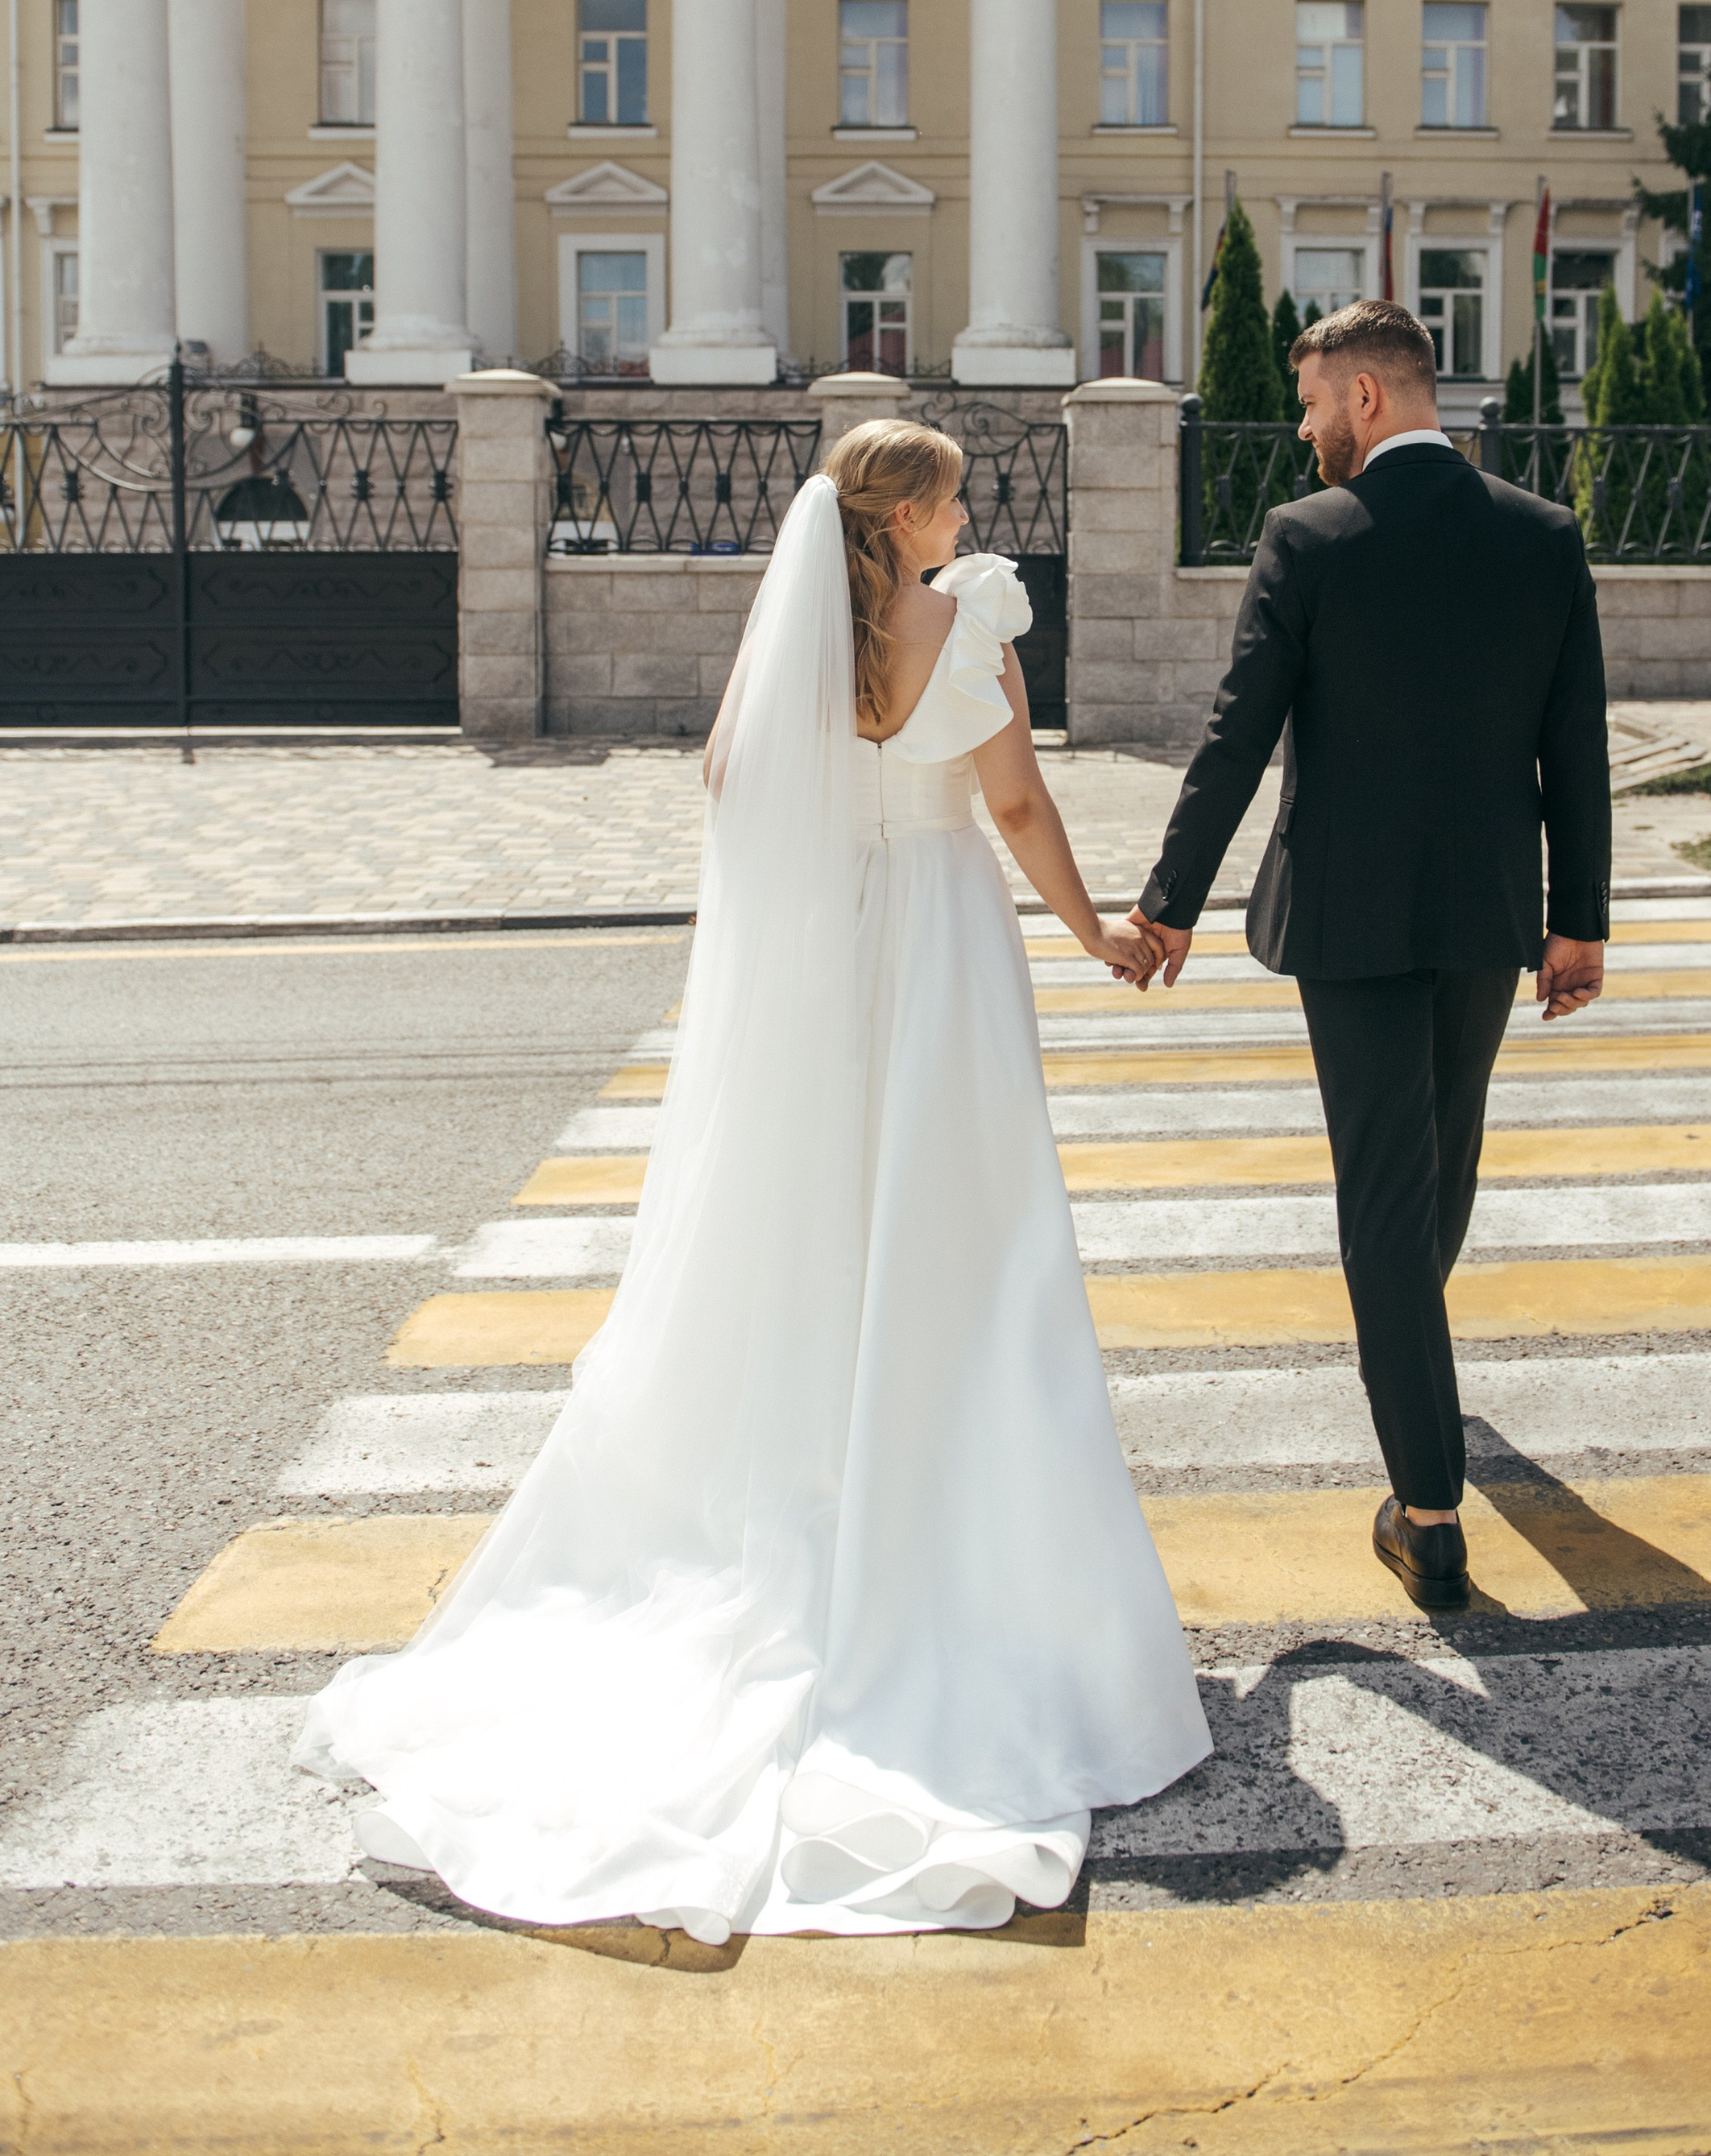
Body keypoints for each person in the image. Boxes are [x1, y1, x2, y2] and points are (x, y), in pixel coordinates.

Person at [297, 423, 1208, 1937]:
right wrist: (1093, 929)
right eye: (957, 486)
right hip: (943, 943)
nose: (971, 507)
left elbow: (732, 778)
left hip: (830, 954)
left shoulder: (806, 634)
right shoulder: (967, 614)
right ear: (915, 506)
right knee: (968, 1240)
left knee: (818, 1227)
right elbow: (1021, 805)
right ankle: (969, 1528)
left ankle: (803, 1485)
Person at [1131, 300, 1611, 1613]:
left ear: (1363, 397)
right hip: (1489, 912)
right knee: (1441, 1160)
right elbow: (1576, 744)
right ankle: (1419, 1365)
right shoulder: (1542, 534)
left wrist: (1171, 899)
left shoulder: (1309, 538)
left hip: (1349, 919)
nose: (1300, 428)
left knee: (1385, 1199)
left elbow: (1241, 733)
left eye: (1309, 402)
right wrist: (1583, 919)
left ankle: (1430, 1505)